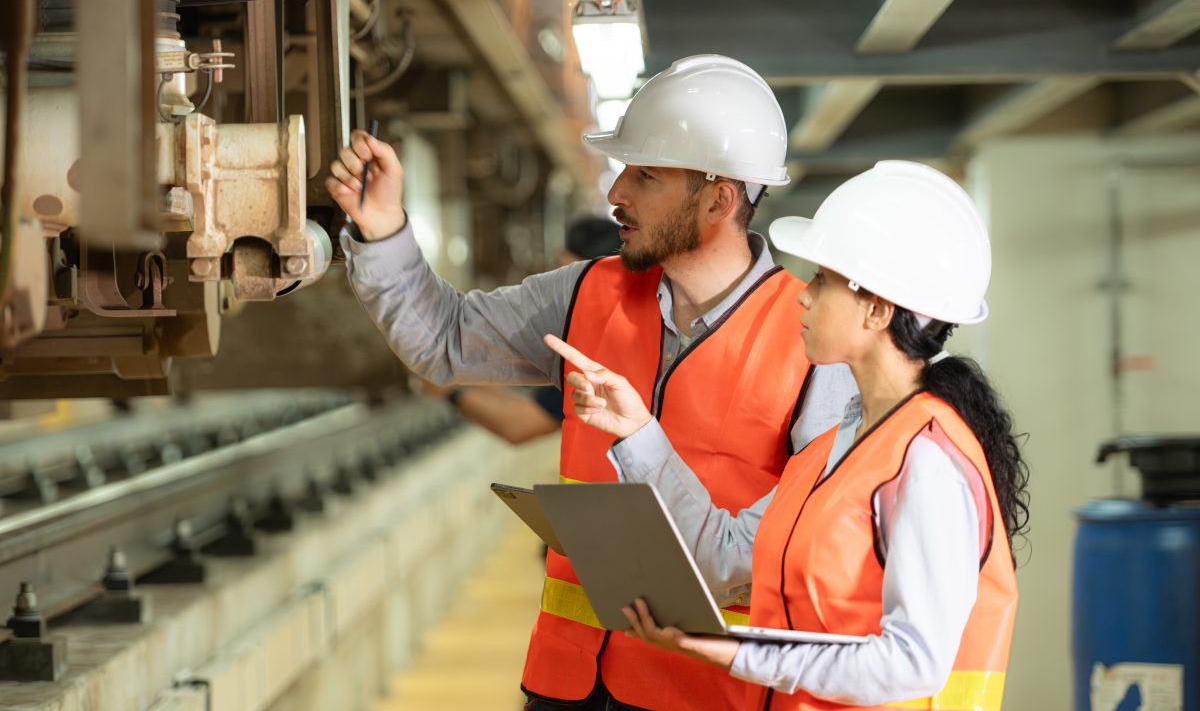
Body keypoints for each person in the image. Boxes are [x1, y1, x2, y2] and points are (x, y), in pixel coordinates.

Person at [324, 54, 858, 710]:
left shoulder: (816, 344)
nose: (615, 193)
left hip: (704, 696)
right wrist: (382, 233)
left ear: (718, 198)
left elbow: (793, 554)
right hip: (568, 684)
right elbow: (444, 340)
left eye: (645, 175)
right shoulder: (588, 293)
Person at [546, 160, 1028, 710]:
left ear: (876, 309)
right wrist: (637, 431)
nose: (802, 295)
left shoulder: (927, 462)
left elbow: (912, 663)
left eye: (822, 281)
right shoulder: (843, 445)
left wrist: (737, 651)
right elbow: (724, 553)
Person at [419, 217, 622, 445]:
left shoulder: (599, 347)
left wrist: (449, 392)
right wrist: (454, 378)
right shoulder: (606, 331)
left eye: (560, 271)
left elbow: (521, 423)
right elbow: (533, 405)